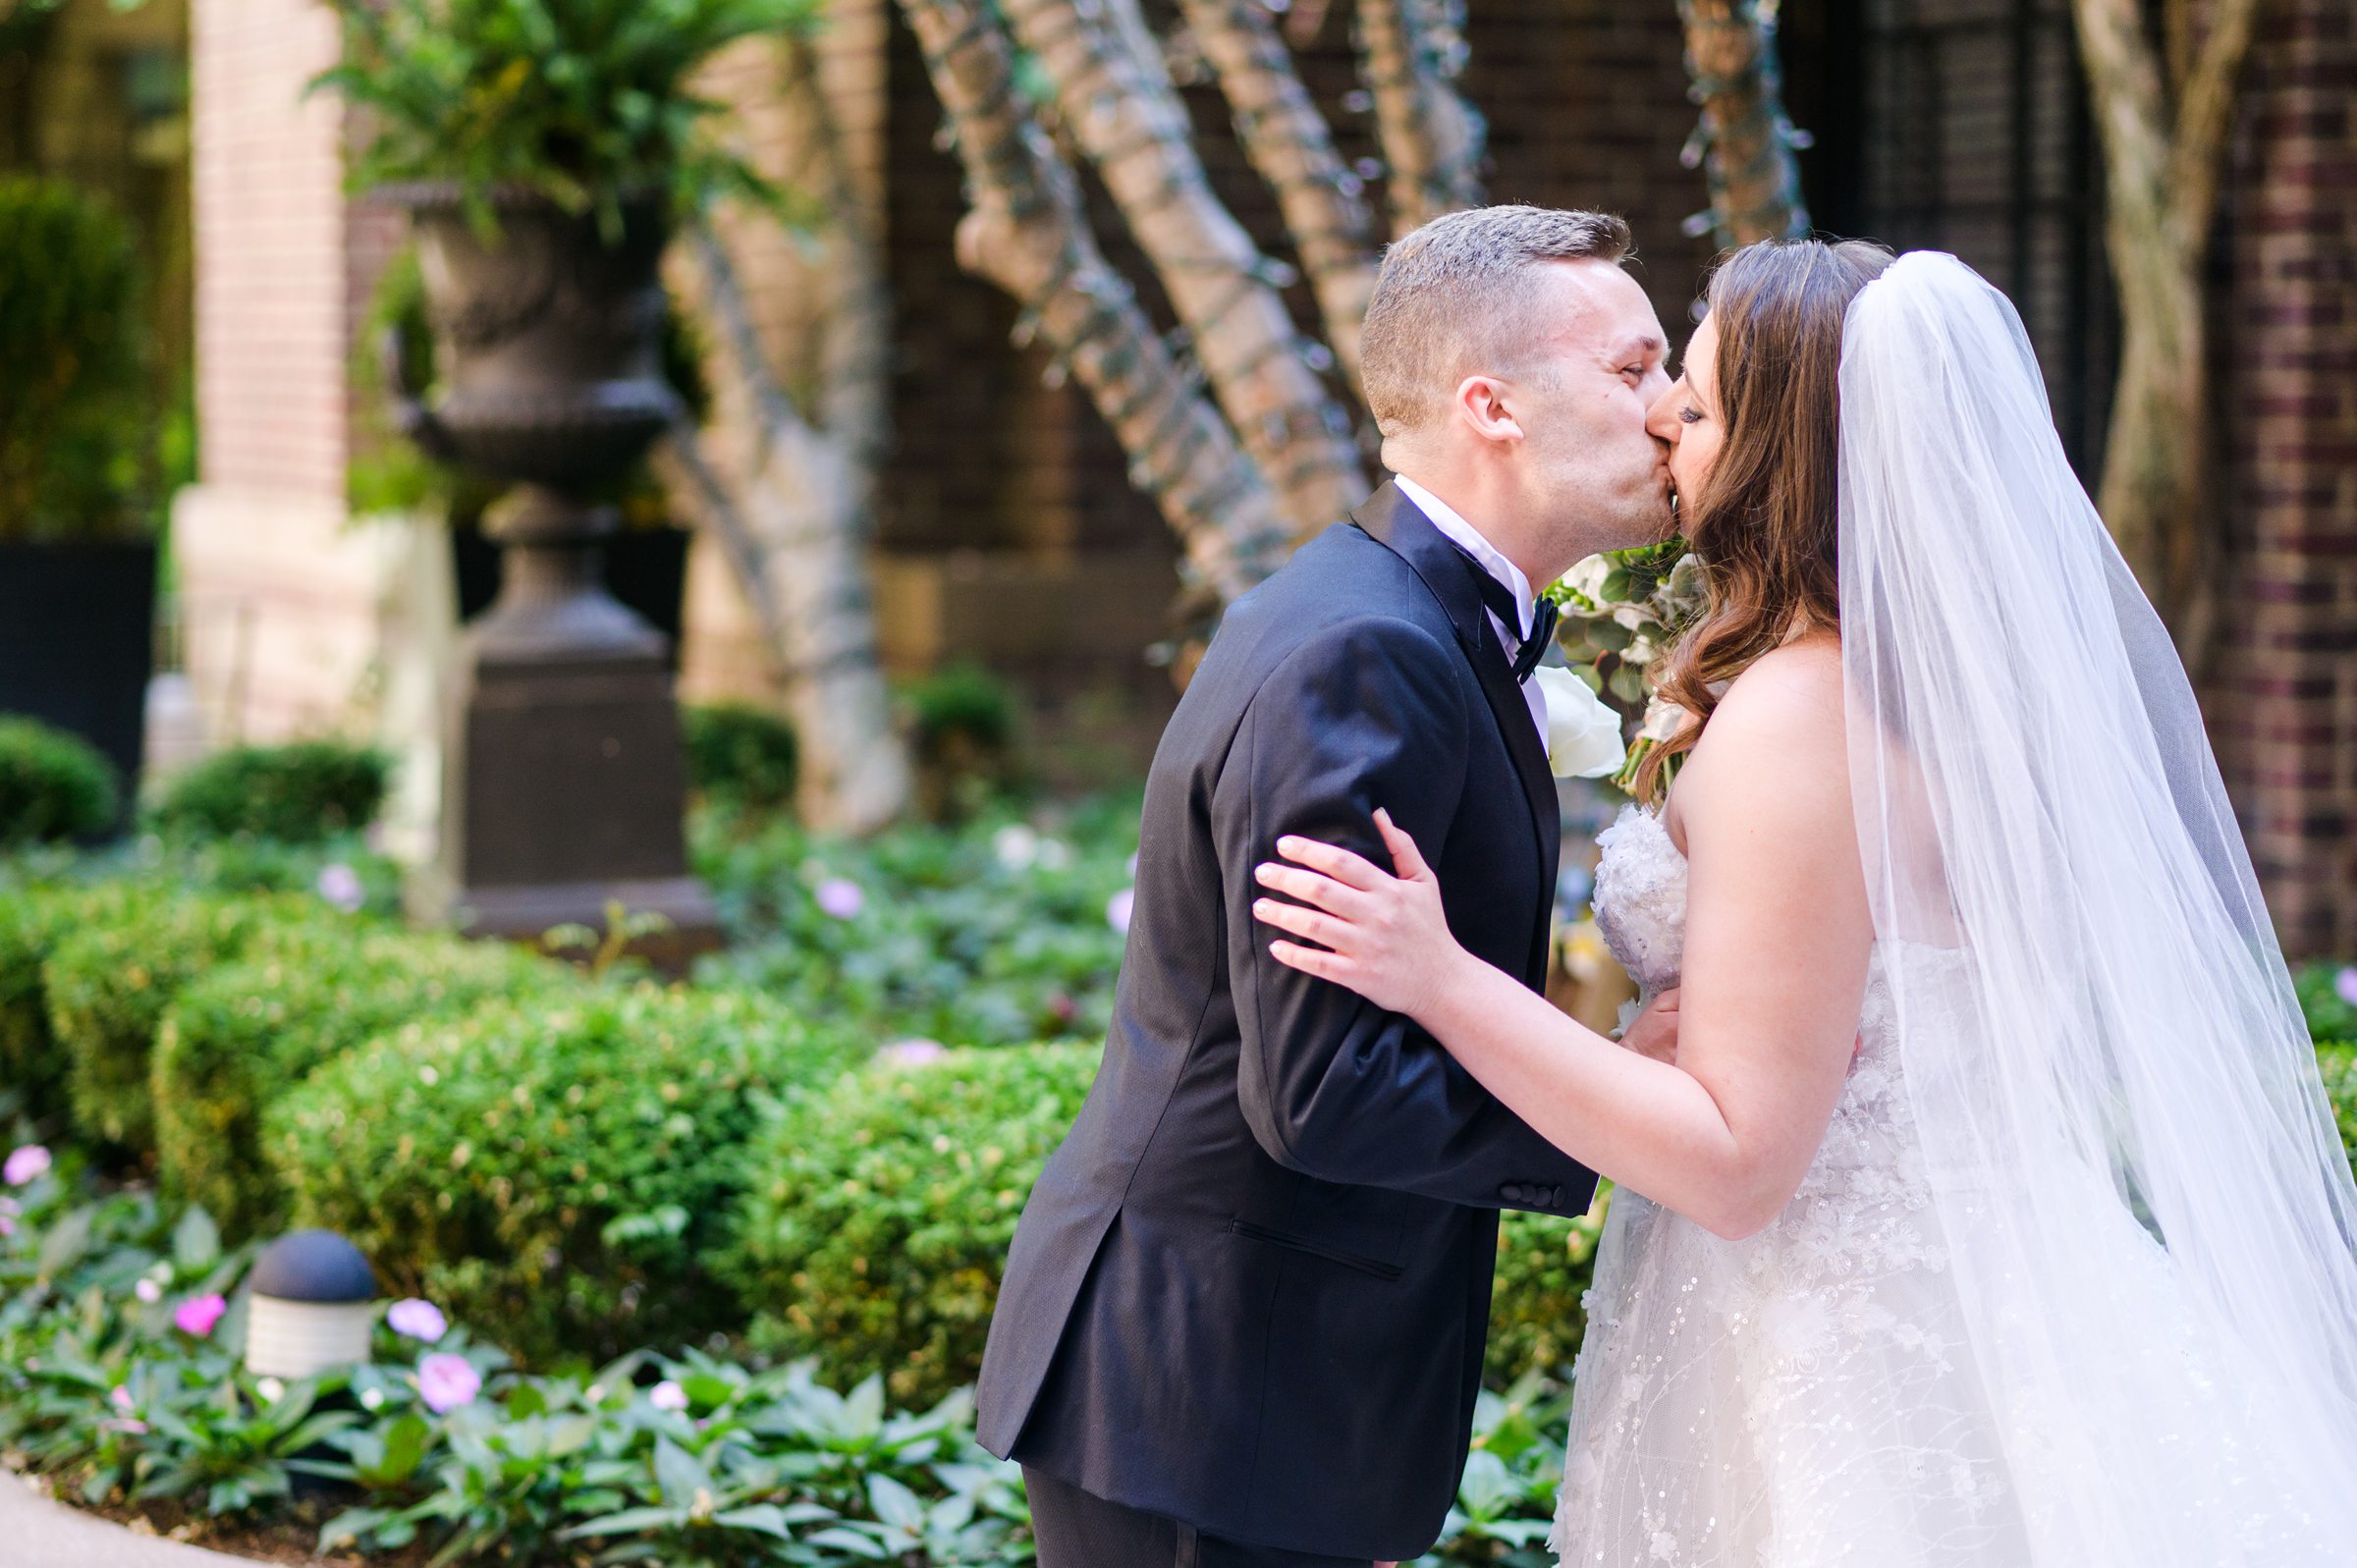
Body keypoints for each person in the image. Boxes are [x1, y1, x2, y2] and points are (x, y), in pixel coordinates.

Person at [1253, 242, 2357, 1564]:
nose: (1663, 416)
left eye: (1701, 403)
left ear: (1784, 453)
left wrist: (1442, 979)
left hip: (1847, 1339)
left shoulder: (1798, 717)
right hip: (1978, 1272)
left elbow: (1734, 1159)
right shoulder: (1915, 697)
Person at [974, 204, 1682, 1568]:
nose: (1666, 410)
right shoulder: (1364, 651)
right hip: (1210, 1400)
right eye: (1633, 367)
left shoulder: (1407, 617)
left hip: (1264, 1397)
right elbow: (1323, 1089)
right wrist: (1612, 1108)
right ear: (1493, 404)